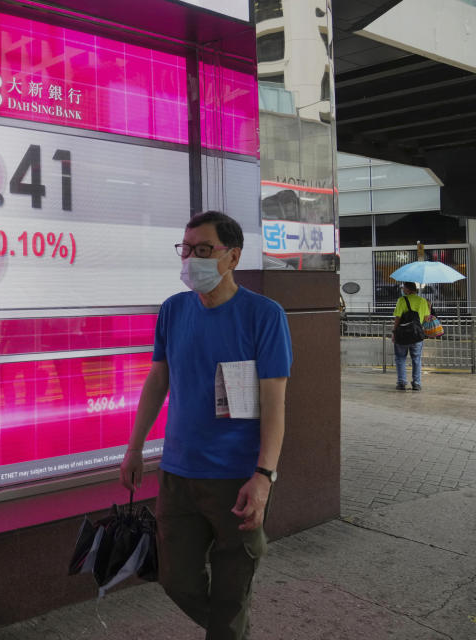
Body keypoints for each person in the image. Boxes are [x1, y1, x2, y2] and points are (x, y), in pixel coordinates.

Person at [119, 211, 292, 640]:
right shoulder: (174, 310)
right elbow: (158, 379)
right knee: (176, 580)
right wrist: (135, 446)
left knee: (233, 590)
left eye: (203, 249)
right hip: (178, 472)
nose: (190, 258)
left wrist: (264, 476)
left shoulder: (264, 316)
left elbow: (275, 403)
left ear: (232, 257)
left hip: (237, 478)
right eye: (186, 248)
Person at [391, 281, 430, 391]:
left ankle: (401, 383)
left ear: (408, 289)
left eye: (404, 288)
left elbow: (397, 318)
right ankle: (417, 383)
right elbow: (426, 319)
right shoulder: (423, 301)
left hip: (402, 334)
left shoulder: (401, 300)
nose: (403, 290)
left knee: (400, 358)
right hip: (417, 334)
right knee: (416, 359)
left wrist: (394, 332)